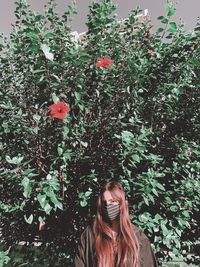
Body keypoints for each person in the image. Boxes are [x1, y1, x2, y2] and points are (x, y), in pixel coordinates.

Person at [74, 181, 158, 267]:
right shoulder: (90, 235)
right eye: (104, 202)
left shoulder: (138, 238)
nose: (108, 206)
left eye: (112, 201)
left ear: (122, 204)